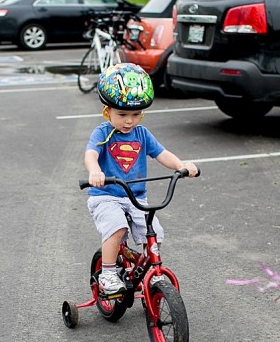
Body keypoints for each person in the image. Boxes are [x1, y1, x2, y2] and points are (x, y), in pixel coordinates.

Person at [85, 63, 198, 295]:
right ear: (108, 111)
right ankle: (107, 273)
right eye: (122, 114)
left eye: (136, 115)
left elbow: (161, 154)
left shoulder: (142, 134)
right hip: (107, 196)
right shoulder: (102, 133)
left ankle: (146, 272)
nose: (129, 121)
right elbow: (91, 154)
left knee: (154, 234)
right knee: (116, 228)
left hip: (136, 197)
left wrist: (181, 165)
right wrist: (95, 170)